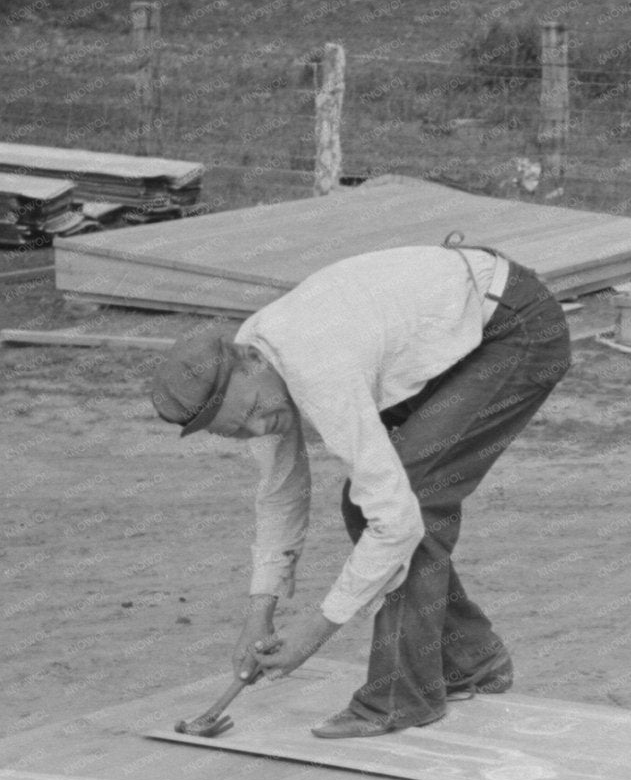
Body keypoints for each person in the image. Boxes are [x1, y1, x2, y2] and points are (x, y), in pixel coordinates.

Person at [149, 241, 571, 738]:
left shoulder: (314, 365)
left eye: (254, 413)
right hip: (456, 331)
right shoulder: (255, 371)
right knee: (368, 502)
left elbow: (397, 520)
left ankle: (401, 698)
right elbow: (281, 493)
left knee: (410, 496)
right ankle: (470, 658)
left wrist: (316, 629)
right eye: (239, 430)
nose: (259, 428)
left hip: (514, 330)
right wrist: (259, 611)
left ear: (250, 362)